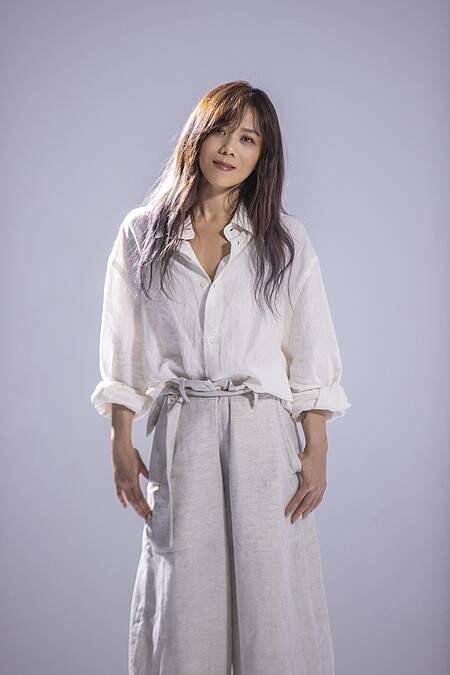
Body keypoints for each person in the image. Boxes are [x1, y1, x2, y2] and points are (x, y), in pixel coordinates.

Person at [91, 80, 351, 675]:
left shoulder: (284, 241)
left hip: (264, 435)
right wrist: (120, 440)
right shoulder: (143, 234)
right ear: (196, 136)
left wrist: (316, 448)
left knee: (271, 597)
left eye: (248, 138)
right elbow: (124, 346)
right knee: (185, 599)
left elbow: (310, 351)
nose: (230, 148)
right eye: (220, 131)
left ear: (264, 155)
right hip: (184, 433)